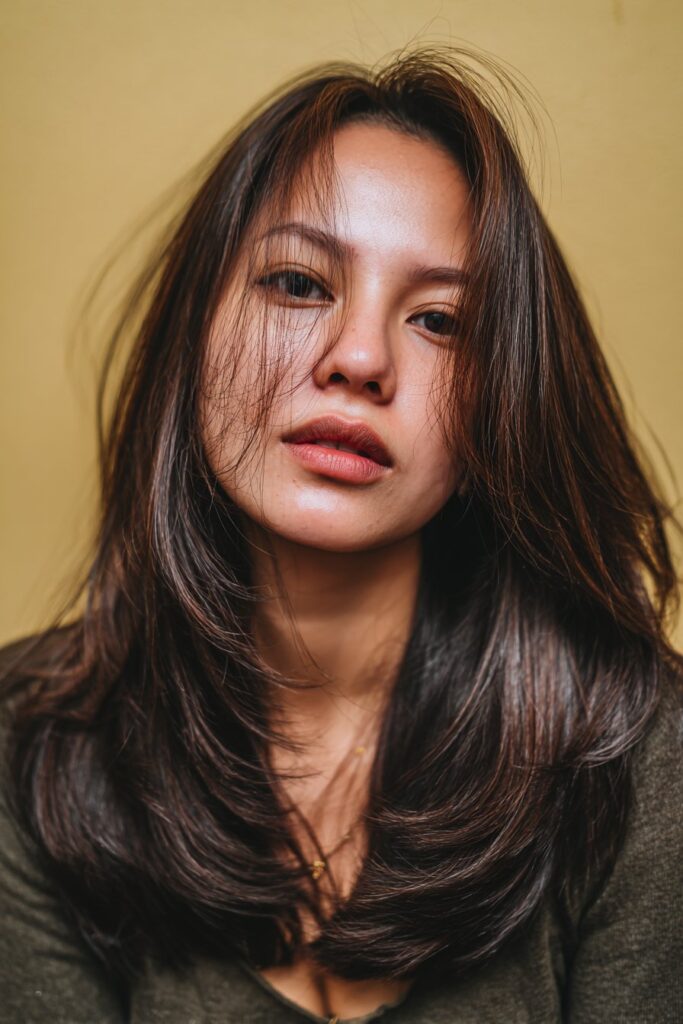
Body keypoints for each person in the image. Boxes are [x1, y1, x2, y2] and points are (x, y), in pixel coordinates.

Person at [1, 47, 681, 1024]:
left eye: (441, 320)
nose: (360, 358)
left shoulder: (643, 760)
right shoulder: (25, 757)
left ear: (503, 402)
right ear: (193, 329)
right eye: (296, 282)